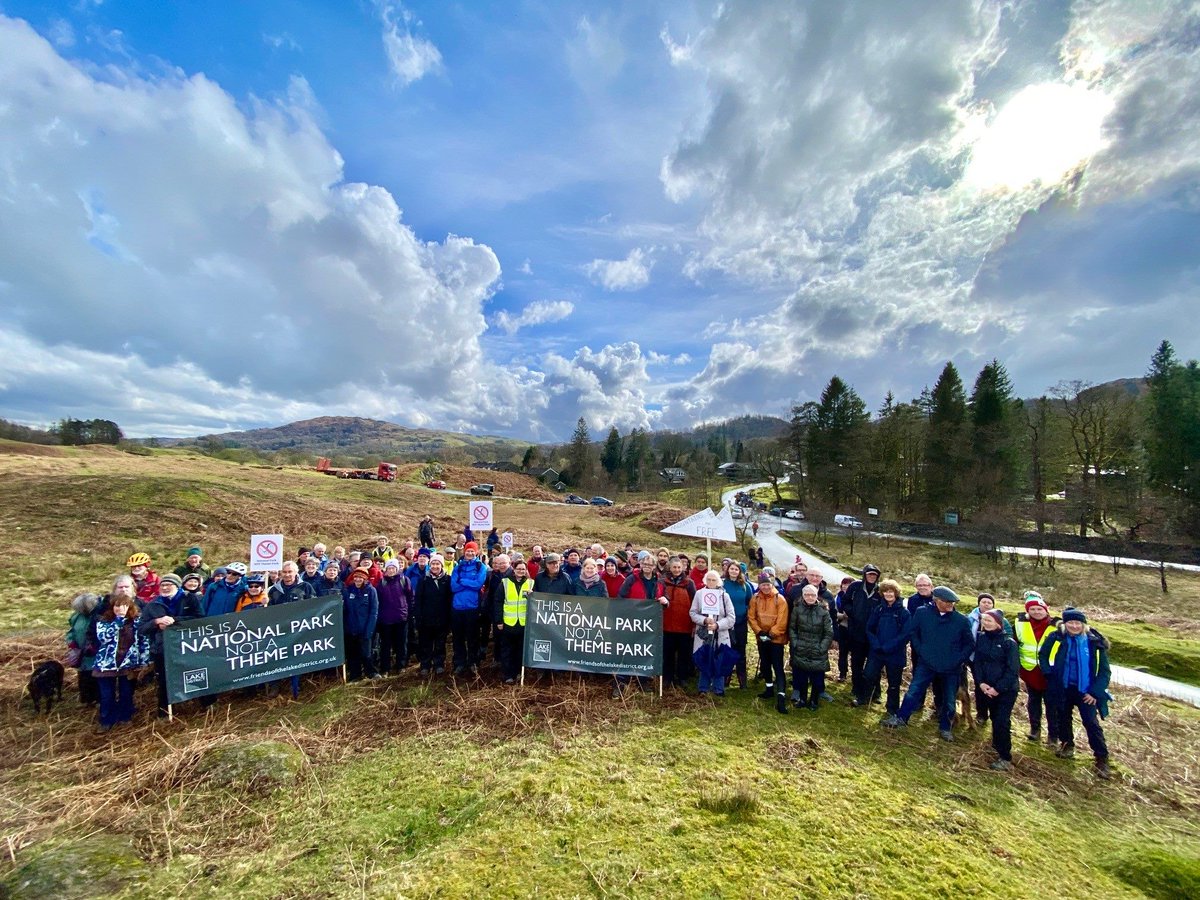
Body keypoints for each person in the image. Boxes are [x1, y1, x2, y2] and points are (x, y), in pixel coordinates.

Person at [881, 587, 974, 741]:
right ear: (936, 601)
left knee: (949, 699)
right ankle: (901, 718)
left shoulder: (961, 621)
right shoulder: (922, 613)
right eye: (947, 602)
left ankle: (945, 728)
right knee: (914, 691)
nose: (951, 604)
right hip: (927, 663)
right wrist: (921, 650)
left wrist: (957, 660)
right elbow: (913, 632)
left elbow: (969, 644)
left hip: (951, 668)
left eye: (952, 602)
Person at [1039, 608, 1113, 779]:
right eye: (1070, 622)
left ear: (1083, 624)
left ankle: (1101, 758)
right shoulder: (1056, 637)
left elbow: (1104, 672)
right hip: (1062, 687)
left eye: (1077, 623)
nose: (1074, 626)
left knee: (1091, 723)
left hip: (1086, 691)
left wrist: (1095, 692)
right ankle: (1067, 745)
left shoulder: (1094, 643)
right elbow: (1043, 655)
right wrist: (1049, 674)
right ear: (1065, 624)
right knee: (1063, 717)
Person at [139, 573, 203, 717]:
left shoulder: (189, 598)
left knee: (196, 675)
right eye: (163, 585)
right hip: (162, 650)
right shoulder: (153, 604)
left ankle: (207, 704)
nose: (165, 588)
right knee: (164, 682)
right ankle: (164, 713)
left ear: (177, 585)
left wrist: (174, 621)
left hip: (189, 647)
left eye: (169, 584)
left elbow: (199, 618)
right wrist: (156, 622)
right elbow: (142, 628)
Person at [92, 588, 149, 732]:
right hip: (106, 664)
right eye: (117, 606)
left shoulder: (136, 622)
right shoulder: (103, 621)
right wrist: (118, 621)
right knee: (106, 695)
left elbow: (143, 642)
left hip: (128, 664)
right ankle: (106, 720)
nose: (120, 609)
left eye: (124, 606)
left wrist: (143, 662)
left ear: (130, 607)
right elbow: (104, 638)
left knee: (126, 693)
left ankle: (125, 718)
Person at [974, 609, 1020, 771]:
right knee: (994, 717)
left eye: (990, 621)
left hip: (1006, 690)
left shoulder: (1009, 643)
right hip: (986, 687)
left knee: (1002, 720)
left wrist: (997, 688)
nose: (986, 623)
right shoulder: (981, 638)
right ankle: (996, 743)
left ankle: (1005, 757)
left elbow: (1013, 670)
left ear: (999, 623)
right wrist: (980, 683)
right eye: (984, 620)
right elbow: (978, 662)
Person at [1015, 591, 1060, 745]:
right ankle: (1035, 730)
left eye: (1039, 609)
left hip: (1050, 673)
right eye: (1032, 609)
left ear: (1045, 610)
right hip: (1030, 670)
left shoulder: (1057, 625)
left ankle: (1053, 736)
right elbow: (1015, 643)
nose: (1036, 612)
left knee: (1052, 705)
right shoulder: (1020, 623)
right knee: (1033, 702)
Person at [862, 578, 910, 715]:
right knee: (869, 675)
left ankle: (892, 708)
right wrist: (876, 644)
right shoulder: (879, 609)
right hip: (877, 651)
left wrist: (889, 646)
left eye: (891, 592)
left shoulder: (903, 612)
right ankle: (865, 699)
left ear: (896, 593)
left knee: (894, 683)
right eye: (885, 592)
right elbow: (869, 628)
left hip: (895, 653)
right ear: (882, 593)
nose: (888, 594)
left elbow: (905, 634)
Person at [690, 570, 736, 695]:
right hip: (704, 634)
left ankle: (718, 689)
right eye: (709, 579)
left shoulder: (724, 596)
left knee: (719, 660)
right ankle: (703, 688)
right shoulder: (699, 594)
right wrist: (704, 620)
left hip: (720, 634)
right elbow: (693, 613)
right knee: (705, 658)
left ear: (718, 581)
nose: (711, 582)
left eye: (713, 580)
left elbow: (731, 617)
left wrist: (717, 625)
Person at [841, 564, 882, 703]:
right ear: (864, 575)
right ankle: (857, 688)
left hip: (873, 634)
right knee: (856, 662)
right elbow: (844, 601)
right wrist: (852, 613)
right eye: (869, 574)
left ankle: (875, 692)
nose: (872, 577)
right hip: (856, 631)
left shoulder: (880, 590)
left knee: (874, 664)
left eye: (874, 575)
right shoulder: (855, 587)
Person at [749, 573, 789, 713]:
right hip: (762, 637)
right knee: (765, 664)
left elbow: (782, 620)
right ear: (759, 585)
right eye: (763, 584)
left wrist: (771, 634)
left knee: (777, 665)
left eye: (768, 584)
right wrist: (759, 632)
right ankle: (769, 688)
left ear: (772, 584)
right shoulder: (755, 598)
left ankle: (781, 696)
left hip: (776, 639)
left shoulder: (780, 599)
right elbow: (751, 617)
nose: (765, 587)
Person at [789, 583, 834, 710]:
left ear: (816, 596)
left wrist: (822, 648)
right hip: (801, 647)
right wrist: (795, 643)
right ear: (803, 596)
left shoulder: (824, 611)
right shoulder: (797, 609)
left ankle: (814, 701)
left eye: (812, 595)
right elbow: (792, 628)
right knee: (802, 677)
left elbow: (829, 632)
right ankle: (802, 700)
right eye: (807, 595)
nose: (809, 597)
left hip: (818, 649)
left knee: (816, 679)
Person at [449, 541, 489, 675]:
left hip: (473, 607)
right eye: (468, 550)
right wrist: (468, 584)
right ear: (464, 552)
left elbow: (478, 584)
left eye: (472, 551)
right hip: (457, 607)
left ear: (476, 552)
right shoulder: (458, 567)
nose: (470, 553)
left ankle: (473, 662)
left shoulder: (480, 567)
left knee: (473, 637)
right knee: (458, 637)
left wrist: (463, 581)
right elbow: (453, 586)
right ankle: (459, 662)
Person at [659, 556, 697, 688]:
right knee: (667, 654)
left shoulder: (689, 583)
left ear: (683, 568)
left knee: (684, 655)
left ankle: (682, 678)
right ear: (670, 567)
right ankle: (667, 678)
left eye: (679, 567)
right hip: (667, 625)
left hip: (684, 626)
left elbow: (694, 604)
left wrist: (693, 625)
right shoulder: (663, 582)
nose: (676, 570)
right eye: (674, 567)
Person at [495, 559, 534, 684]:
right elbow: (498, 602)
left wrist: (532, 596)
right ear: (514, 569)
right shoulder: (505, 583)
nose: (521, 571)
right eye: (518, 569)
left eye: (523, 569)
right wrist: (499, 621)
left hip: (523, 624)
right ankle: (507, 674)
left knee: (520, 650)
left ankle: (518, 673)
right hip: (508, 623)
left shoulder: (530, 583)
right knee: (507, 650)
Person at [414, 555, 452, 675]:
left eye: (437, 564)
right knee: (425, 643)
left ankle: (439, 664)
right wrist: (418, 617)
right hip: (426, 618)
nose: (435, 566)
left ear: (441, 565)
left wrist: (449, 618)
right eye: (433, 564)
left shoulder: (447, 579)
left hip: (442, 618)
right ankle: (425, 665)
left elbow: (450, 599)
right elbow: (418, 599)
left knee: (440, 643)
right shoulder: (423, 580)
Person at [343, 566, 380, 681]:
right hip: (351, 628)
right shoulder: (348, 590)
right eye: (356, 577)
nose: (358, 579)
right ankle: (355, 675)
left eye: (360, 577)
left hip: (365, 628)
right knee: (353, 654)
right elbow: (345, 610)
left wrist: (369, 630)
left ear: (365, 579)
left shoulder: (371, 590)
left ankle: (371, 673)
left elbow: (374, 611)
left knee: (366, 653)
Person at [65, 592, 102, 707]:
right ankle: (85, 699)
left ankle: (98, 699)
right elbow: (71, 631)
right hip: (81, 652)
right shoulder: (76, 617)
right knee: (83, 675)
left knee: (96, 675)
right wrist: (71, 643)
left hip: (95, 652)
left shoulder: (99, 615)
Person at [722, 560, 754, 690]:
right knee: (726, 650)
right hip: (726, 623)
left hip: (740, 623)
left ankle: (742, 681)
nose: (734, 571)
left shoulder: (745, 586)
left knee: (741, 652)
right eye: (732, 569)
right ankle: (725, 678)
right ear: (728, 570)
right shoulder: (723, 584)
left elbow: (749, 602)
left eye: (736, 569)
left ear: (740, 572)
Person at [376, 560, 412, 676]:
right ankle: (385, 668)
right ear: (385, 570)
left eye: (393, 568)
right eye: (389, 568)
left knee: (401, 643)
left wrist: (409, 613)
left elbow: (411, 597)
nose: (391, 570)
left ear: (397, 569)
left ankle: (401, 666)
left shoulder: (404, 580)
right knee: (385, 645)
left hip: (401, 617)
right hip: (385, 619)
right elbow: (378, 601)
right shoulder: (381, 583)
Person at [833, 576, 854, 683]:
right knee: (843, 652)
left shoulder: (857, 597)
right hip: (843, 627)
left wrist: (851, 615)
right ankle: (842, 673)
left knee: (855, 654)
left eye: (848, 584)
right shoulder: (838, 597)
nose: (846, 586)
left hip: (854, 629)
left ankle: (855, 675)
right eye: (844, 584)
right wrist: (842, 616)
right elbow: (834, 612)